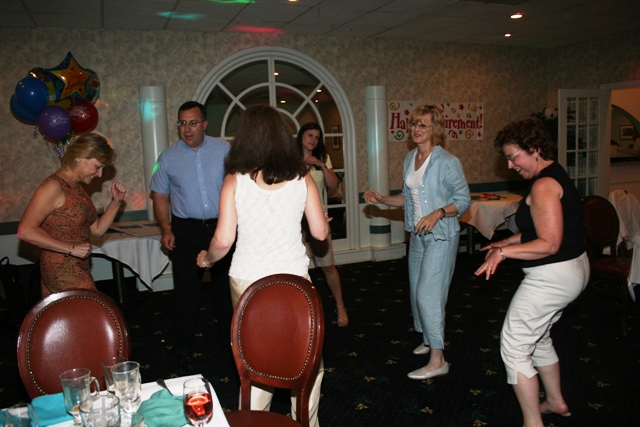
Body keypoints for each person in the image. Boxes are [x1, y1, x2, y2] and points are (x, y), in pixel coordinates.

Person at [196, 105, 329, 427]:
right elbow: (320, 233)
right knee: (306, 358)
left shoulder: (235, 180)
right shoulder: (302, 177)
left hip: (248, 279)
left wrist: (207, 259)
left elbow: (223, 240)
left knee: (255, 358)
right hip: (294, 279)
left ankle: (256, 421)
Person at [474, 118, 589, 427]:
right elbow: (543, 228)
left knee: (514, 346)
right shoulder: (553, 175)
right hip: (572, 269)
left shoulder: (543, 185)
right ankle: (555, 401)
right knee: (539, 338)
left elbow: (549, 243)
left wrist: (503, 253)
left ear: (536, 149)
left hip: (553, 276)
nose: (510, 165)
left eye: (514, 157)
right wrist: (507, 241)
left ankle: (533, 423)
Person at [363, 104, 471, 380]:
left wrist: (438, 213)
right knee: (415, 292)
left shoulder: (447, 162)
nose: (416, 129)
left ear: (436, 129)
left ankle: (438, 359)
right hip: (417, 235)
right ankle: (428, 338)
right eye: (413, 124)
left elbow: (463, 201)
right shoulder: (410, 157)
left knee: (428, 294)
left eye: (423, 125)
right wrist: (382, 199)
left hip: (441, 235)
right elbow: (408, 199)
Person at [149, 101, 232, 361]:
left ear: (204, 124)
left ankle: (230, 341)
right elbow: (159, 195)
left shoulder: (225, 150)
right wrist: (165, 228)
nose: (187, 128)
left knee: (225, 288)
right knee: (187, 291)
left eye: (193, 123)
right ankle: (183, 347)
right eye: (182, 123)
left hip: (221, 226)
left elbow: (240, 185)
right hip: (185, 229)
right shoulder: (168, 157)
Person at [17, 133, 126, 298]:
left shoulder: (76, 187)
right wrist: (71, 249)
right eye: (97, 166)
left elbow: (97, 230)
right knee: (88, 310)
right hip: (61, 270)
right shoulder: (53, 186)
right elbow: (25, 231)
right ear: (79, 158)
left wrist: (116, 202)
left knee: (84, 312)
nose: (99, 174)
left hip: (79, 267)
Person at [296, 123, 348, 327]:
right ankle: (298, 310)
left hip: (317, 217)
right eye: (310, 135)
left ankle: (340, 306)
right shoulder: (289, 158)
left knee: (328, 265)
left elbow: (333, 186)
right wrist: (303, 167)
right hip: (293, 219)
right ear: (301, 136)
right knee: (295, 267)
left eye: (317, 137)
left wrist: (321, 165)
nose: (313, 140)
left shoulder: (323, 158)